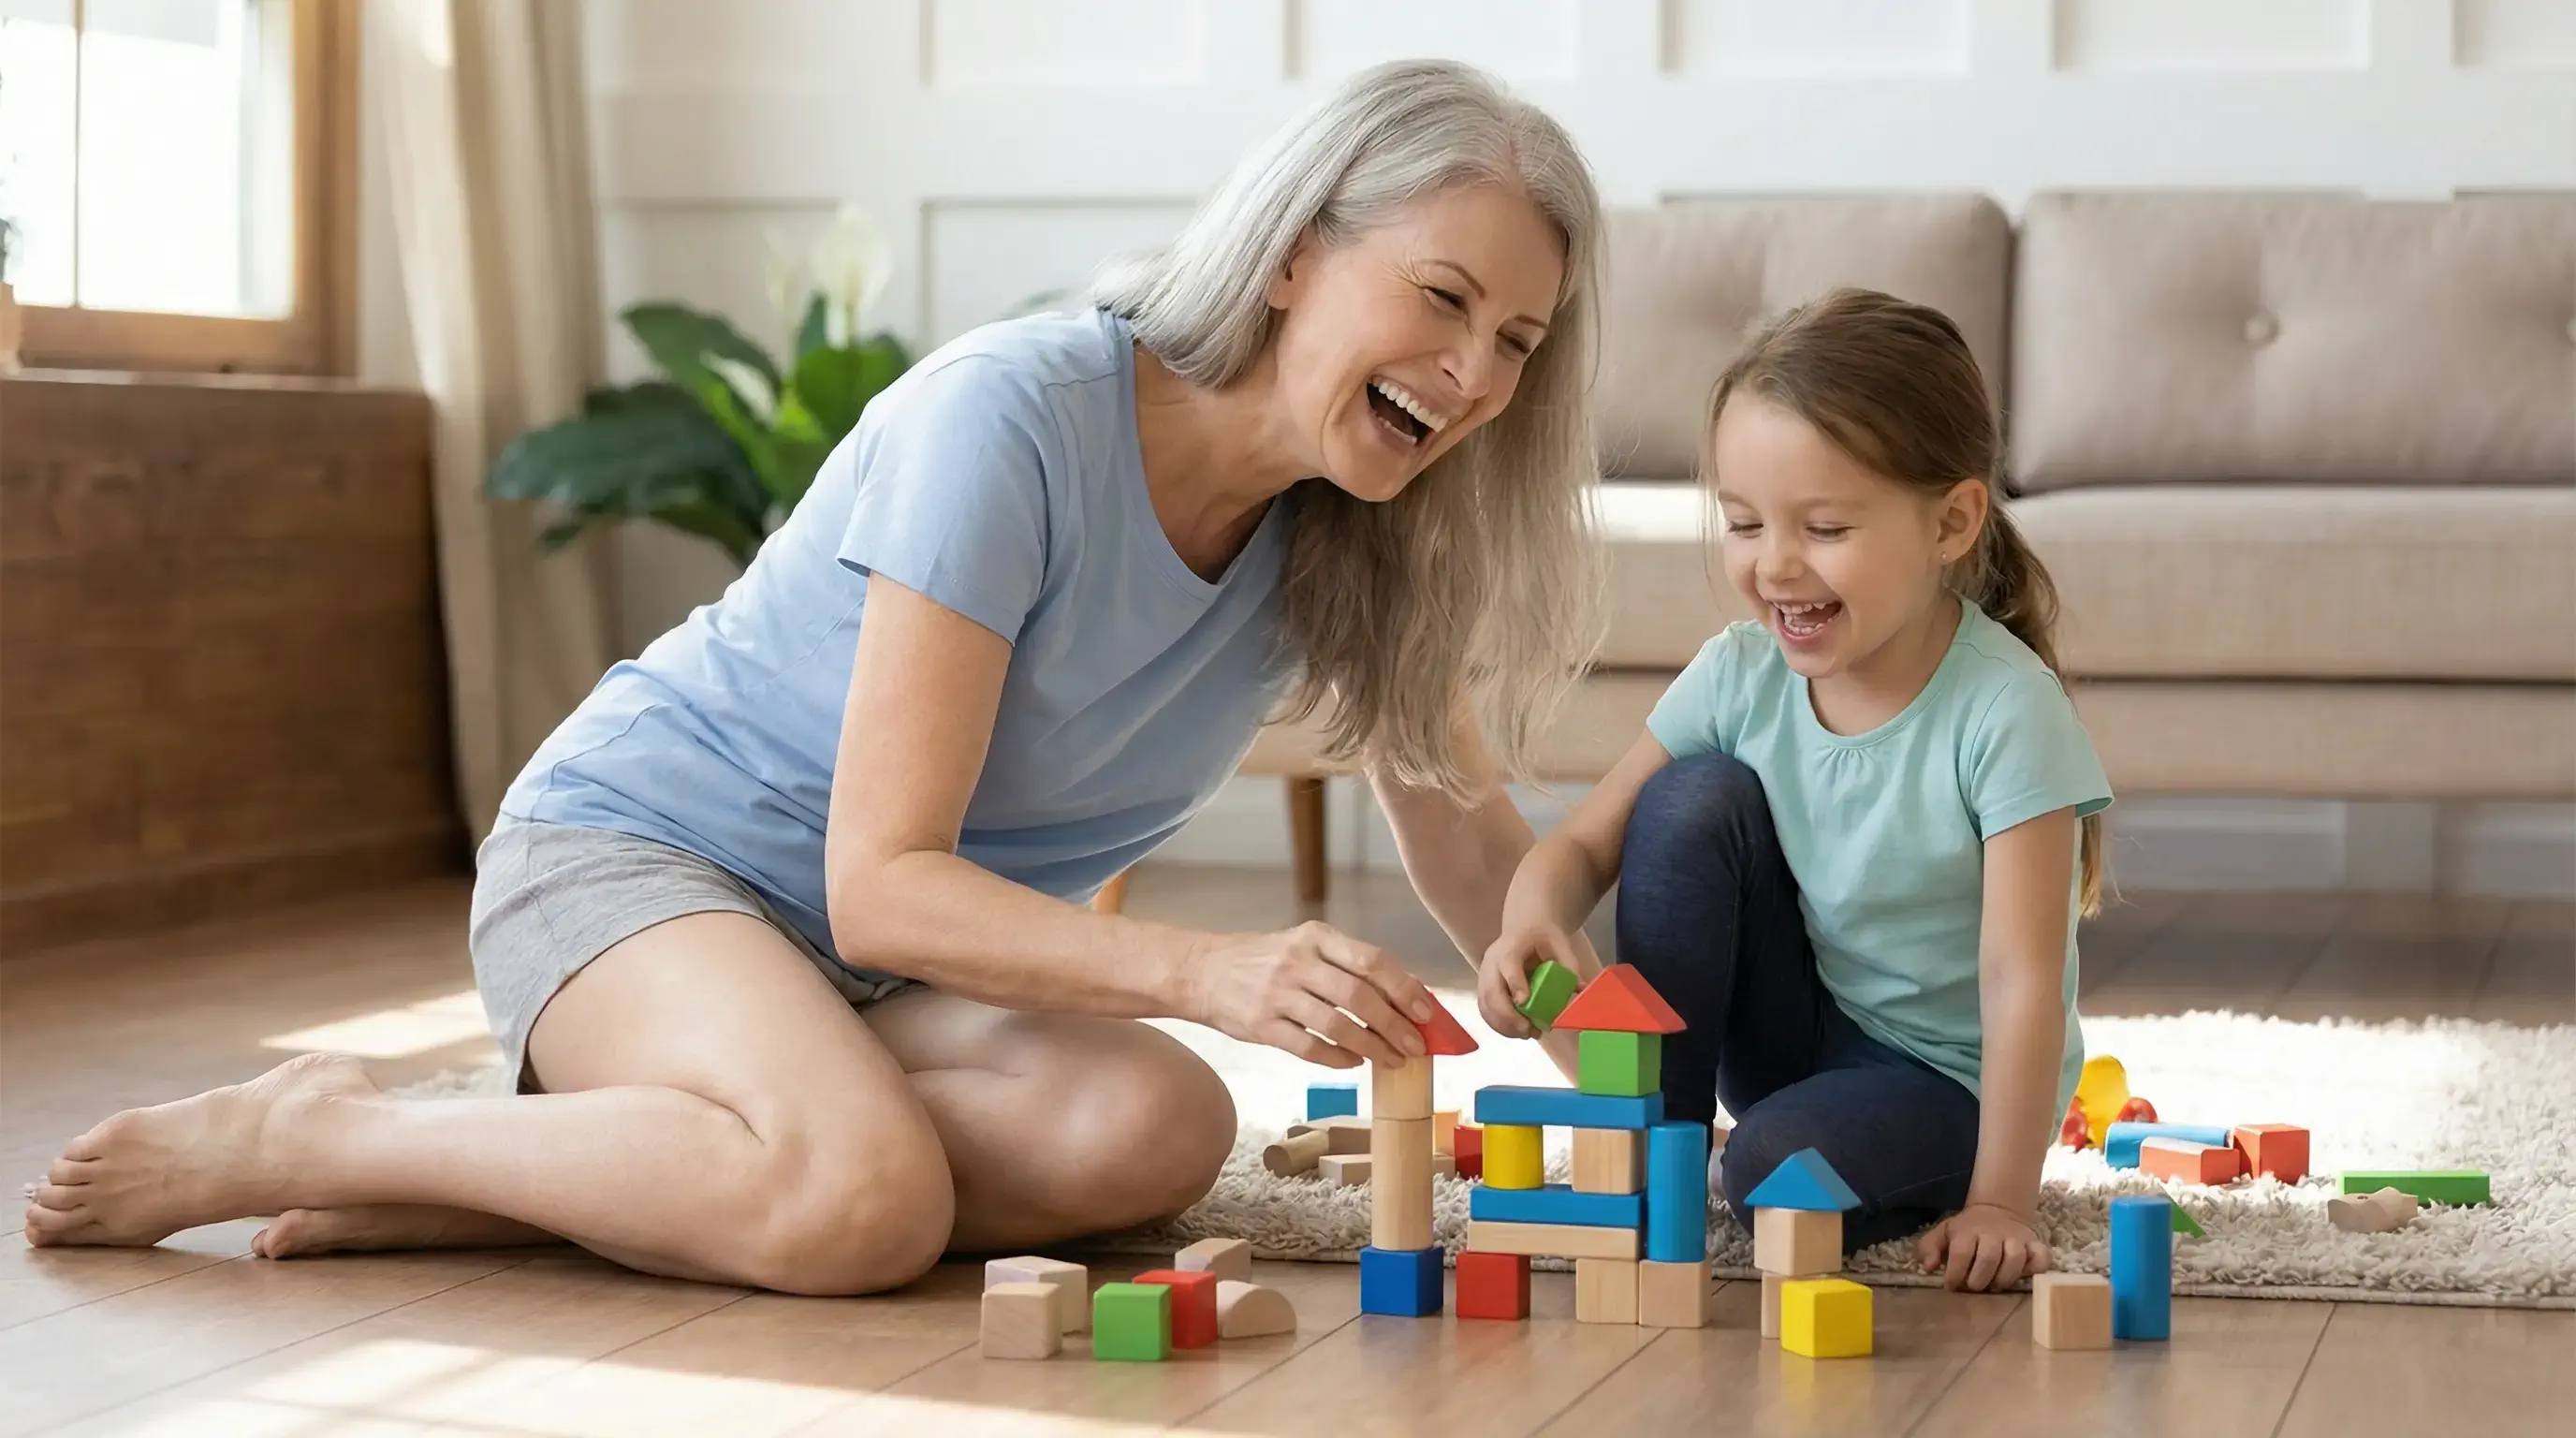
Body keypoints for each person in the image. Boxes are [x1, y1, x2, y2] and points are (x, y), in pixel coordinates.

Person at [24, 59, 1611, 1296]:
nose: (1473, 378)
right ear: (1292, 256)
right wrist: (1213, 971)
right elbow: (880, 885)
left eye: (1518, 343)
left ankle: (525, 1174)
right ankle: (327, 1127)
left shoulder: (1357, 541)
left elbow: (1475, 852)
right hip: (642, 866)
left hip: (886, 985)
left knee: (1162, 1128)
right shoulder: (1018, 419)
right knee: (863, 1203)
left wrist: (1659, 1105)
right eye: (1442, 299)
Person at [1475, 287, 2113, 1294]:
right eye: (1741, 524)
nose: (1774, 565)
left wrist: (2001, 1199)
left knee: (1773, 1170)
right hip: (1797, 1030)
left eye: (1821, 527)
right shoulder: (1738, 672)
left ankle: (1791, 1158)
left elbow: (2023, 980)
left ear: (1950, 522)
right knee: (1689, 798)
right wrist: (1530, 919)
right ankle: (1658, 1150)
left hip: (1946, 1082)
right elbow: (1585, 844)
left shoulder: (2005, 710)